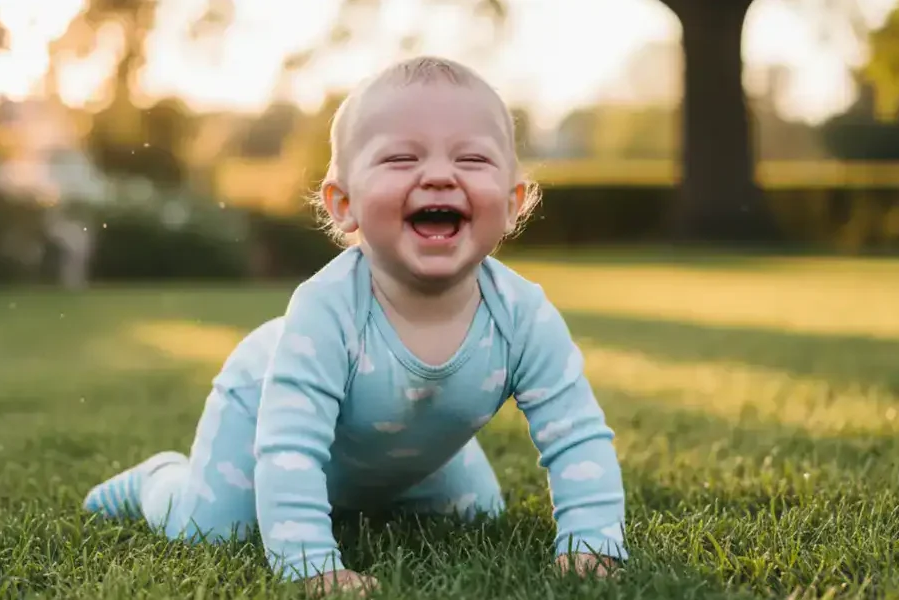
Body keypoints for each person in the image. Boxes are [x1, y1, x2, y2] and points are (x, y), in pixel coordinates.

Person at [82, 55, 628, 596]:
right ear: (344, 204)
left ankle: (409, 459)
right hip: (262, 414)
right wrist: (311, 566)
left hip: (407, 433)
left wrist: (593, 546)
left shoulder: (523, 315)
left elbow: (577, 435)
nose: (439, 175)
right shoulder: (327, 310)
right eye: (400, 158)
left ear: (513, 204)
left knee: (477, 518)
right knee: (208, 532)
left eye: (472, 158)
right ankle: (158, 478)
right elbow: (289, 450)